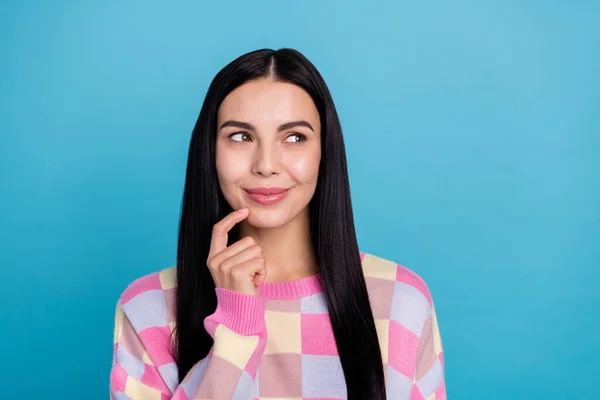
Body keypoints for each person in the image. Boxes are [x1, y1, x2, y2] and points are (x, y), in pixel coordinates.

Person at [109, 48, 446, 400]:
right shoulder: (149, 308)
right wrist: (237, 326)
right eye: (241, 136)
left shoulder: (401, 301)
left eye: (294, 137)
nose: (266, 164)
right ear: (210, 152)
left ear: (324, 152)